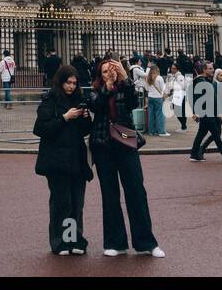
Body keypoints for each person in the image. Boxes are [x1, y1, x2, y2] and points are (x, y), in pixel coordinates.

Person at [86, 58, 162, 257]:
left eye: (112, 70)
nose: (108, 74)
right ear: (99, 75)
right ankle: (115, 242)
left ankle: (146, 242)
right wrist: (108, 87)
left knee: (136, 190)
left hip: (126, 144)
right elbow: (95, 106)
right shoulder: (95, 91)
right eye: (104, 72)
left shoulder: (125, 87)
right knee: (110, 195)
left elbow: (134, 103)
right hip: (103, 147)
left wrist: (125, 77)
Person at [34, 64, 93, 255]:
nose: (72, 87)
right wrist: (65, 117)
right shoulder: (49, 99)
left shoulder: (78, 99)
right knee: (62, 202)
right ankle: (60, 241)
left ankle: (74, 240)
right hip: (56, 159)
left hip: (75, 157)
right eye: (69, 83)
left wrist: (85, 117)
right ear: (61, 82)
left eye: (75, 83)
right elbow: (41, 129)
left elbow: (85, 130)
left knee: (77, 202)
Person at [188, 66, 222, 162]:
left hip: (210, 111)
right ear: (204, 70)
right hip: (206, 112)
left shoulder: (206, 81)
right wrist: (196, 112)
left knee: (201, 134)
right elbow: (196, 97)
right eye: (210, 69)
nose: (212, 70)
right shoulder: (200, 81)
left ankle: (194, 154)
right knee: (216, 133)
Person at [144, 65, 169, 137]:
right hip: (158, 97)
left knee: (151, 115)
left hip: (150, 97)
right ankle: (161, 131)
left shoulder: (148, 78)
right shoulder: (159, 78)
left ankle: (151, 131)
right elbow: (163, 88)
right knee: (159, 115)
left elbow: (146, 88)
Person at [168, 66, 188, 131]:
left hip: (180, 95)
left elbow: (183, 86)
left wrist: (173, 87)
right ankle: (183, 126)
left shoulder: (179, 76)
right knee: (179, 111)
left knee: (179, 111)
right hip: (177, 95)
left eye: (174, 68)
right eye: (171, 68)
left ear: (177, 69)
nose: (172, 69)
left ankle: (184, 126)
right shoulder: (174, 76)